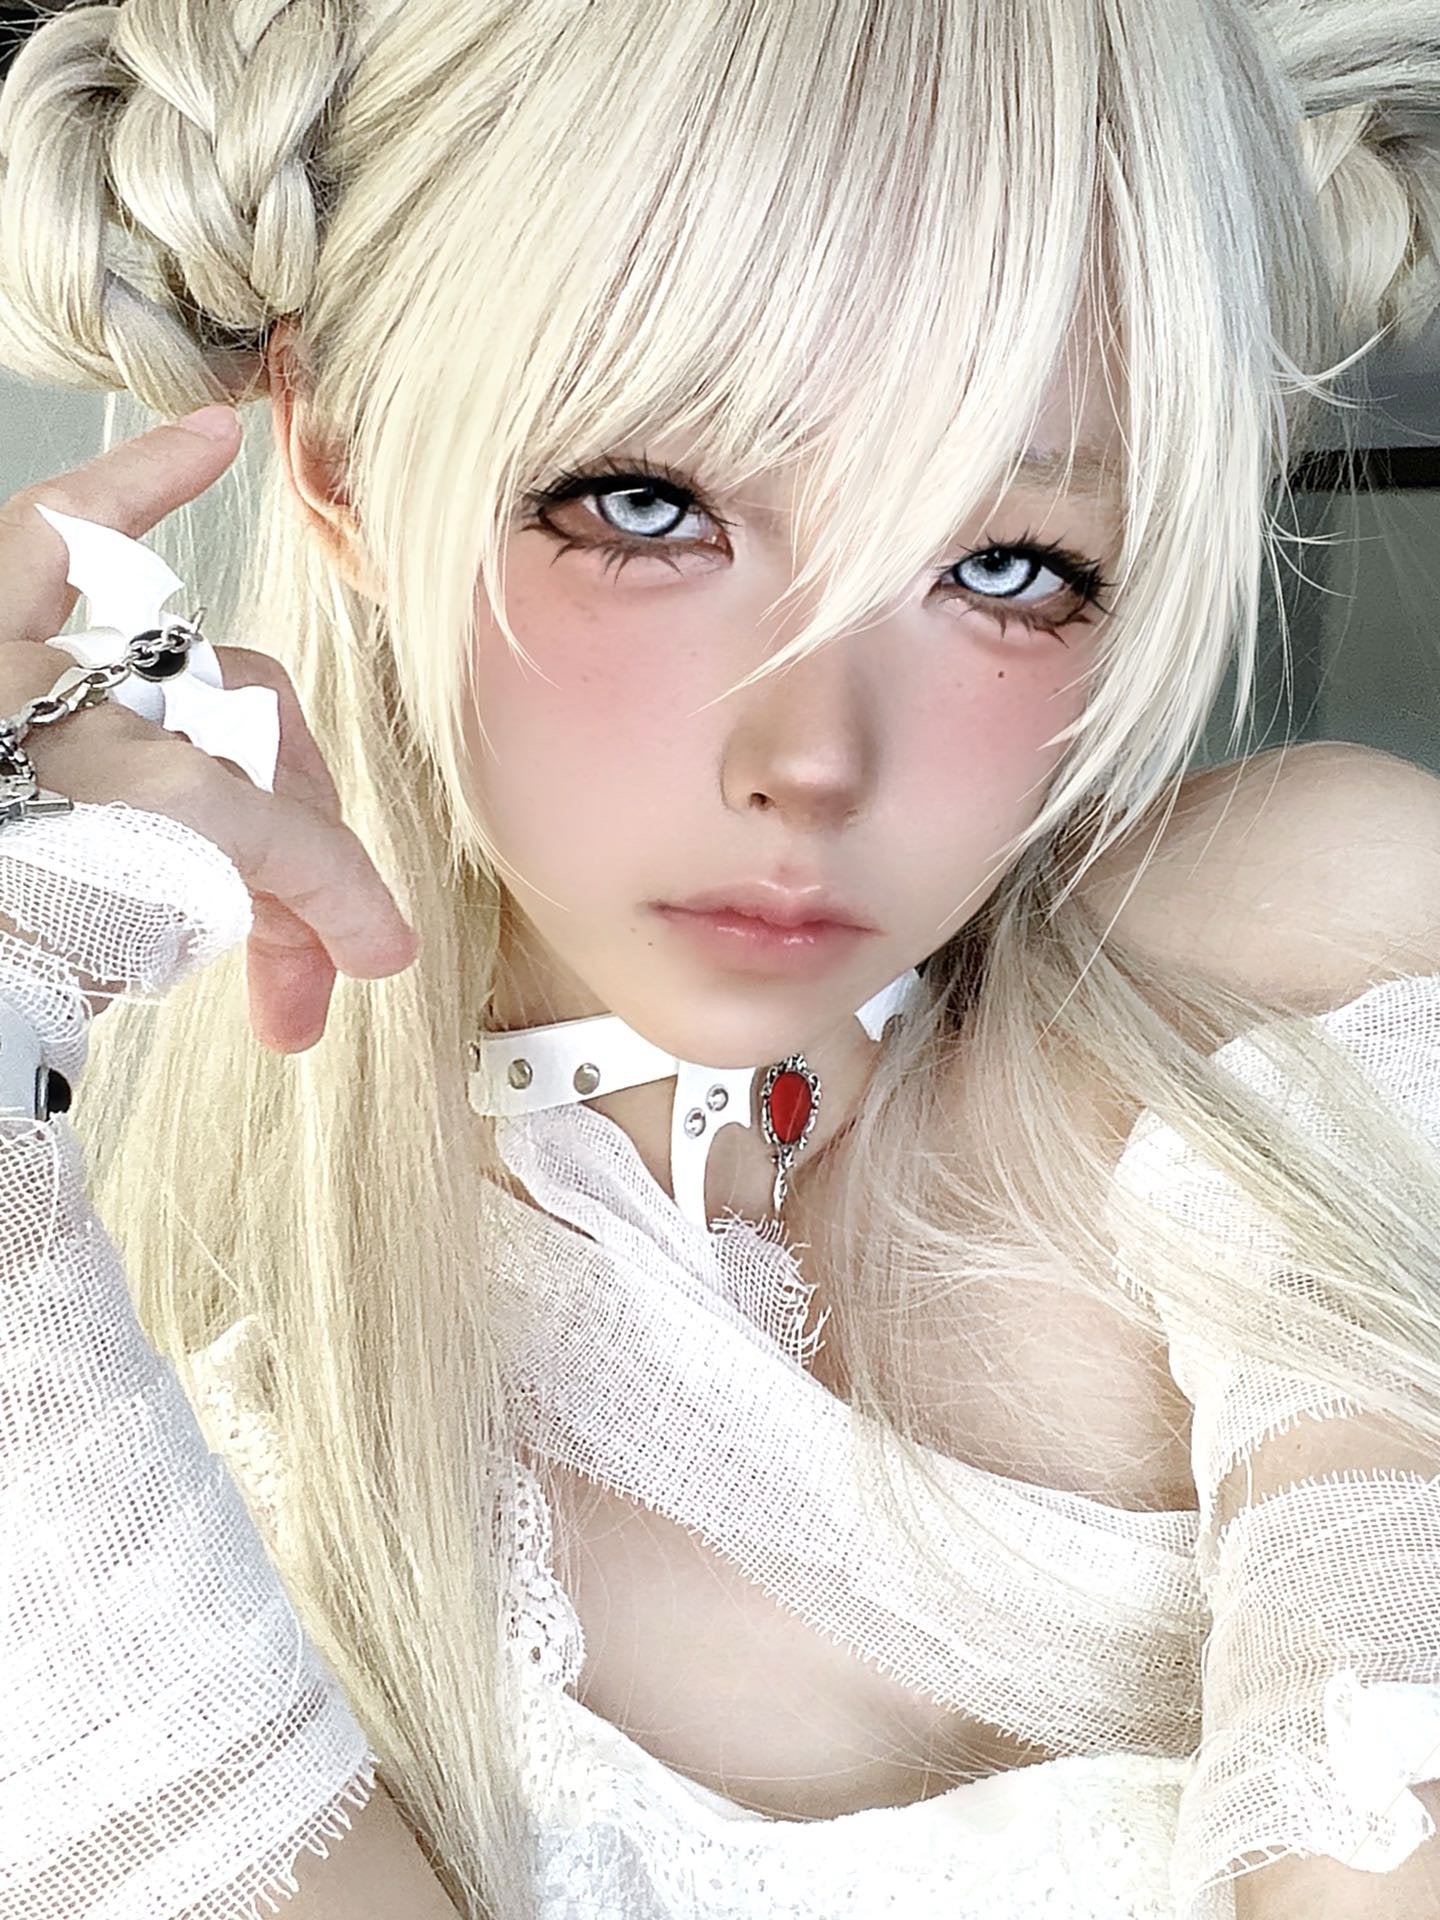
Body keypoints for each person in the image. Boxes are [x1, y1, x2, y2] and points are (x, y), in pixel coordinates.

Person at [1, 0, 1440, 1915]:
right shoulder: (196, 1343)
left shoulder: (1291, 969)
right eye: (650, 507)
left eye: (1009, 565)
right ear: (339, 463)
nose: (812, 760)